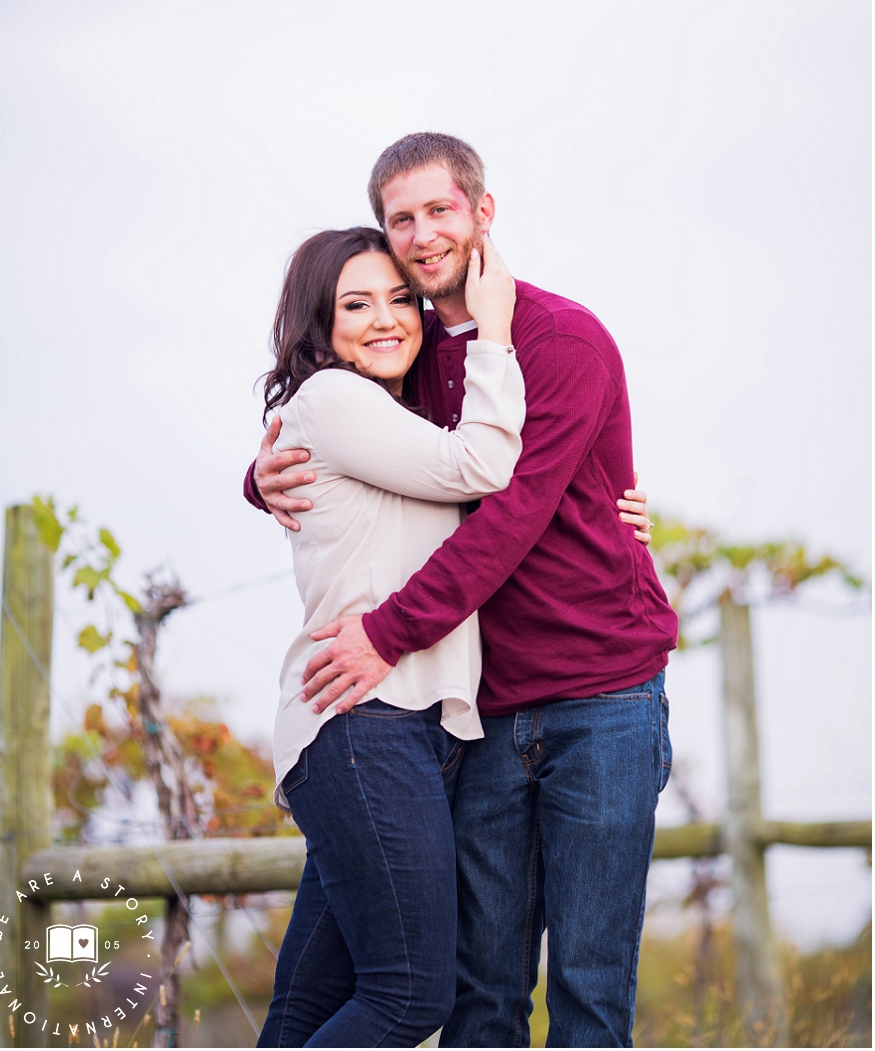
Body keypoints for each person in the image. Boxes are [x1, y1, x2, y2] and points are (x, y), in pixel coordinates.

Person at [246, 132, 675, 1049]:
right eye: (401, 218)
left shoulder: (562, 340)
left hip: (600, 698)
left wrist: (387, 632)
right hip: (478, 717)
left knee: (592, 991)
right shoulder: (413, 362)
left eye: (440, 208)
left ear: (483, 212)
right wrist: (263, 471)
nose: (422, 233)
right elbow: (348, 441)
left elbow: (511, 510)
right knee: (479, 997)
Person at [256, 223, 527, 1048]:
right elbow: (480, 467)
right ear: (318, 323)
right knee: (410, 995)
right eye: (356, 303)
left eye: (402, 299)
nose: (388, 318)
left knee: (311, 1001)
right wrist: (495, 334)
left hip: (389, 730)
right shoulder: (335, 399)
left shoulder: (384, 415)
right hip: (361, 724)